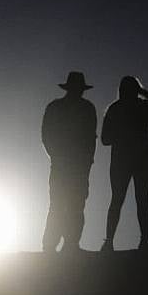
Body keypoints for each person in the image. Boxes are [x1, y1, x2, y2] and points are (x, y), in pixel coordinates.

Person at [101, 76, 148, 251]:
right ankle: (112, 241)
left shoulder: (125, 108)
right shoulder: (127, 108)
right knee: (125, 199)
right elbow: (105, 139)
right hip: (131, 158)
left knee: (135, 199)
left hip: (137, 158)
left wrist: (142, 92)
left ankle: (135, 240)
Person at [41, 71, 97, 253]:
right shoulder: (61, 107)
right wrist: (56, 155)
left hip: (75, 165)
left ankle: (69, 244)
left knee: (74, 204)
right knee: (61, 203)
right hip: (64, 164)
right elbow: (46, 135)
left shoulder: (82, 108)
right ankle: (52, 245)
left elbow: (90, 138)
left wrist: (88, 161)